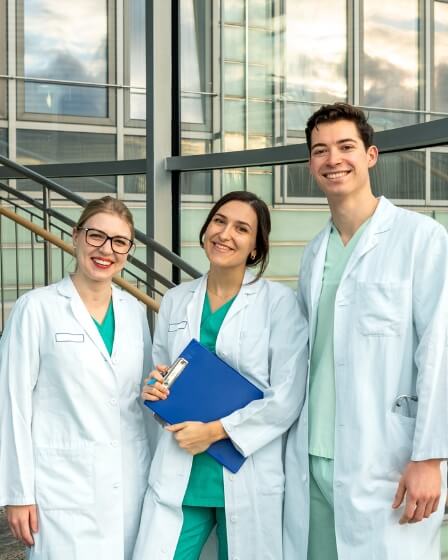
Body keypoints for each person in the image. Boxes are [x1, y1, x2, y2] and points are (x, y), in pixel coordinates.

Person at [283, 103, 448, 559]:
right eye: (320, 150)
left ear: (370, 155)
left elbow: (440, 352)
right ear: (311, 165)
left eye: (345, 147)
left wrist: (430, 456)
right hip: (313, 456)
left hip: (385, 460)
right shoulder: (314, 253)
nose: (333, 159)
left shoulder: (421, 239)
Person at [132, 191, 308, 560]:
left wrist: (214, 432)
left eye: (241, 229)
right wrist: (154, 389)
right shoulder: (177, 300)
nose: (225, 234)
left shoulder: (279, 303)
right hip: (181, 472)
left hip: (246, 470)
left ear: (255, 249)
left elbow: (287, 395)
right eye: (219, 221)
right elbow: (163, 372)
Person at [0, 196, 153, 560]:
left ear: (128, 251)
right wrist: (17, 494)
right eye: (96, 236)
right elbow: (12, 404)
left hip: (131, 484)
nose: (106, 250)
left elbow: (141, 403)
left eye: (119, 242)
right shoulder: (36, 308)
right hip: (62, 491)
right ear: (76, 236)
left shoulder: (134, 311)